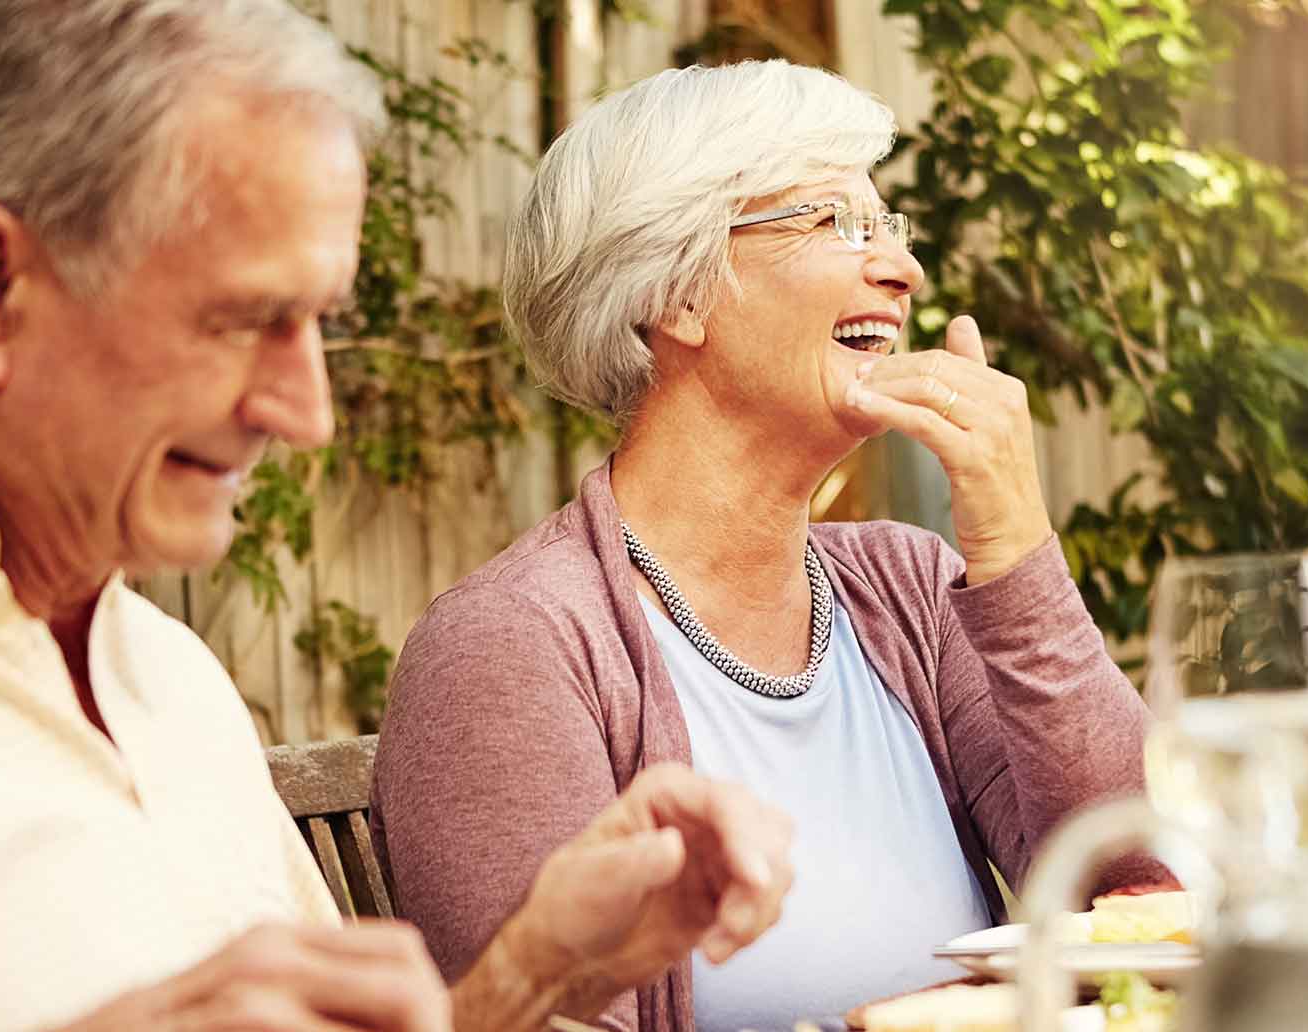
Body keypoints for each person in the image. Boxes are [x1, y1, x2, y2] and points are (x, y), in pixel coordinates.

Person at [0, 2, 790, 1029]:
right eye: (247, 321)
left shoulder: (160, 671)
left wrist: (534, 970)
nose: (305, 412)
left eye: (316, 321)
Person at [371, 60, 1164, 1032]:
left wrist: (1013, 544)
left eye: (892, 231)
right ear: (678, 295)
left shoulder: (906, 588)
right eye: (839, 223)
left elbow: (1143, 906)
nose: (903, 271)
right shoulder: (509, 653)